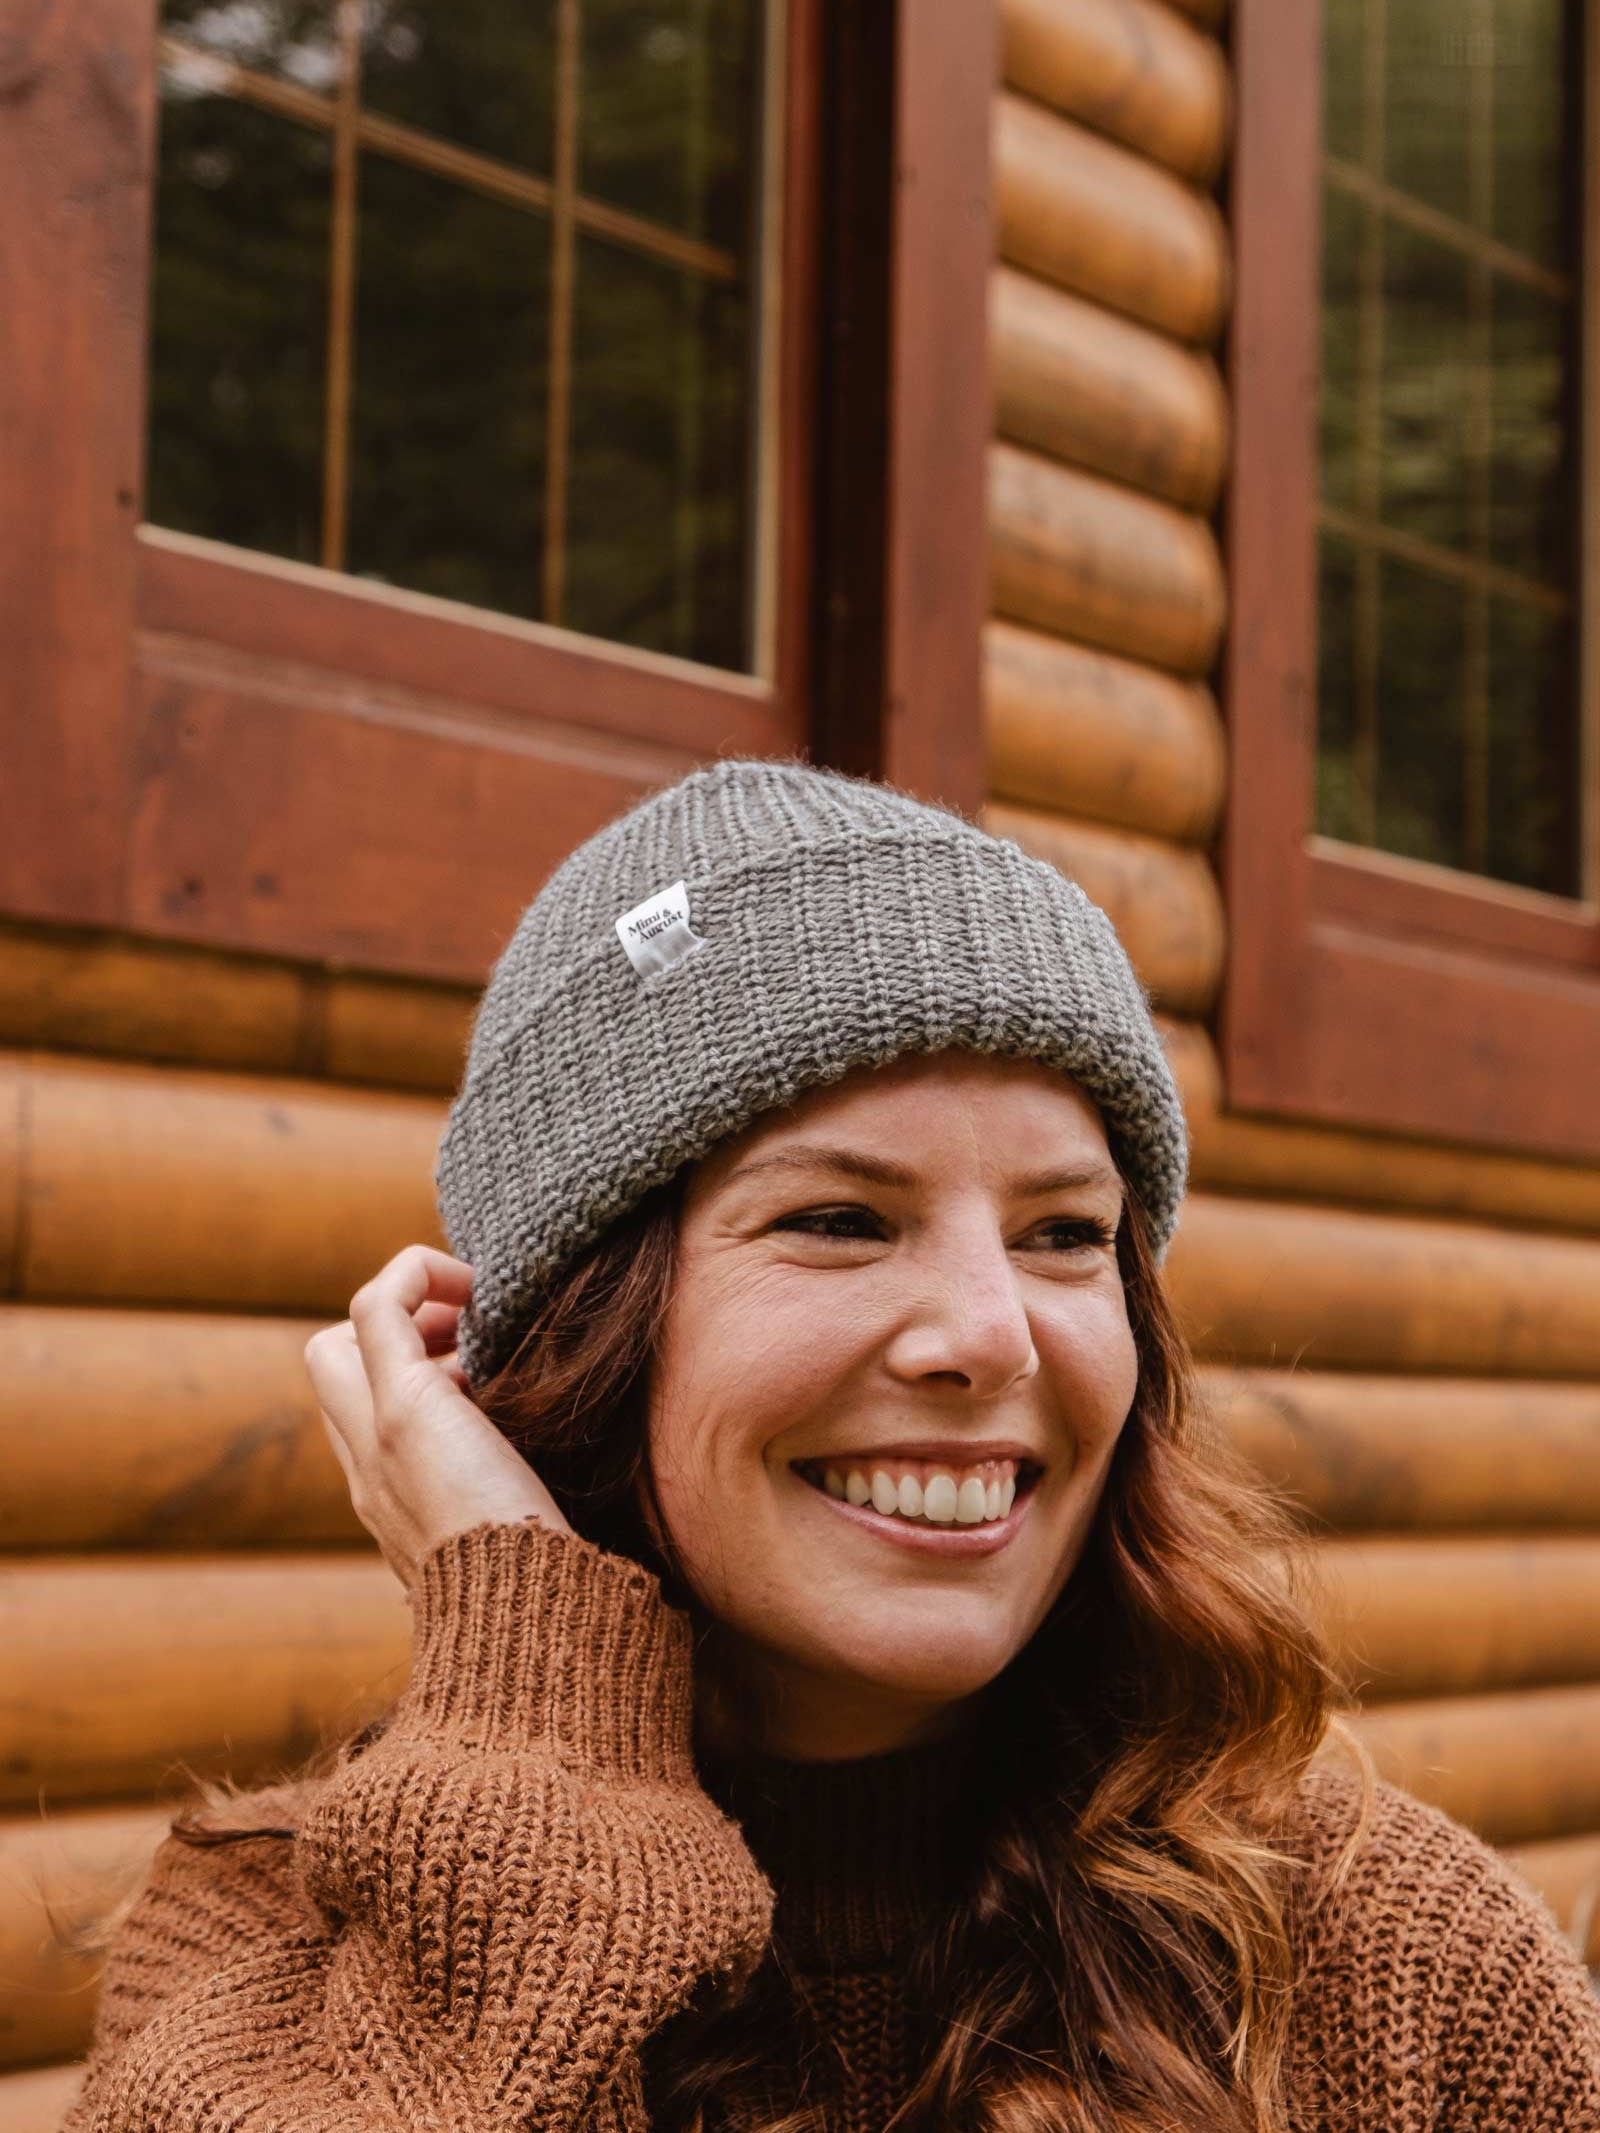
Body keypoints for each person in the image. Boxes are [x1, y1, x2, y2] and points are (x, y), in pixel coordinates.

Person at [65, 760, 1600, 2132]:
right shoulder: (269, 1956)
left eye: (1068, 1233)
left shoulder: (1380, 1959)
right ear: (593, 1328)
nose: (993, 1333)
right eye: (839, 1220)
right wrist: (538, 1704)